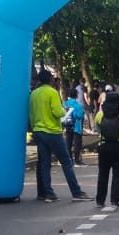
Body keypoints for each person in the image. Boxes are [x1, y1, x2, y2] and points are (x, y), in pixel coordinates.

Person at [29, 69, 88, 203]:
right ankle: (76, 192)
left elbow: (31, 114)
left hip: (38, 130)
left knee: (44, 163)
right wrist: (64, 111)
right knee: (66, 162)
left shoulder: (34, 94)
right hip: (52, 131)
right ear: (50, 80)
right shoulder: (52, 92)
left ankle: (47, 193)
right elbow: (57, 112)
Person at [94, 90, 119, 209]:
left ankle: (100, 200)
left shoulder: (99, 116)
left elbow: (98, 130)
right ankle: (115, 200)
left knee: (103, 174)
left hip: (104, 146)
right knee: (117, 174)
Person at [63, 88, 87, 165]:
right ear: (76, 95)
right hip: (77, 127)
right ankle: (77, 160)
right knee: (77, 144)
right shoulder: (78, 105)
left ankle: (69, 159)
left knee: (68, 143)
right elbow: (79, 116)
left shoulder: (65, 104)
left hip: (67, 126)